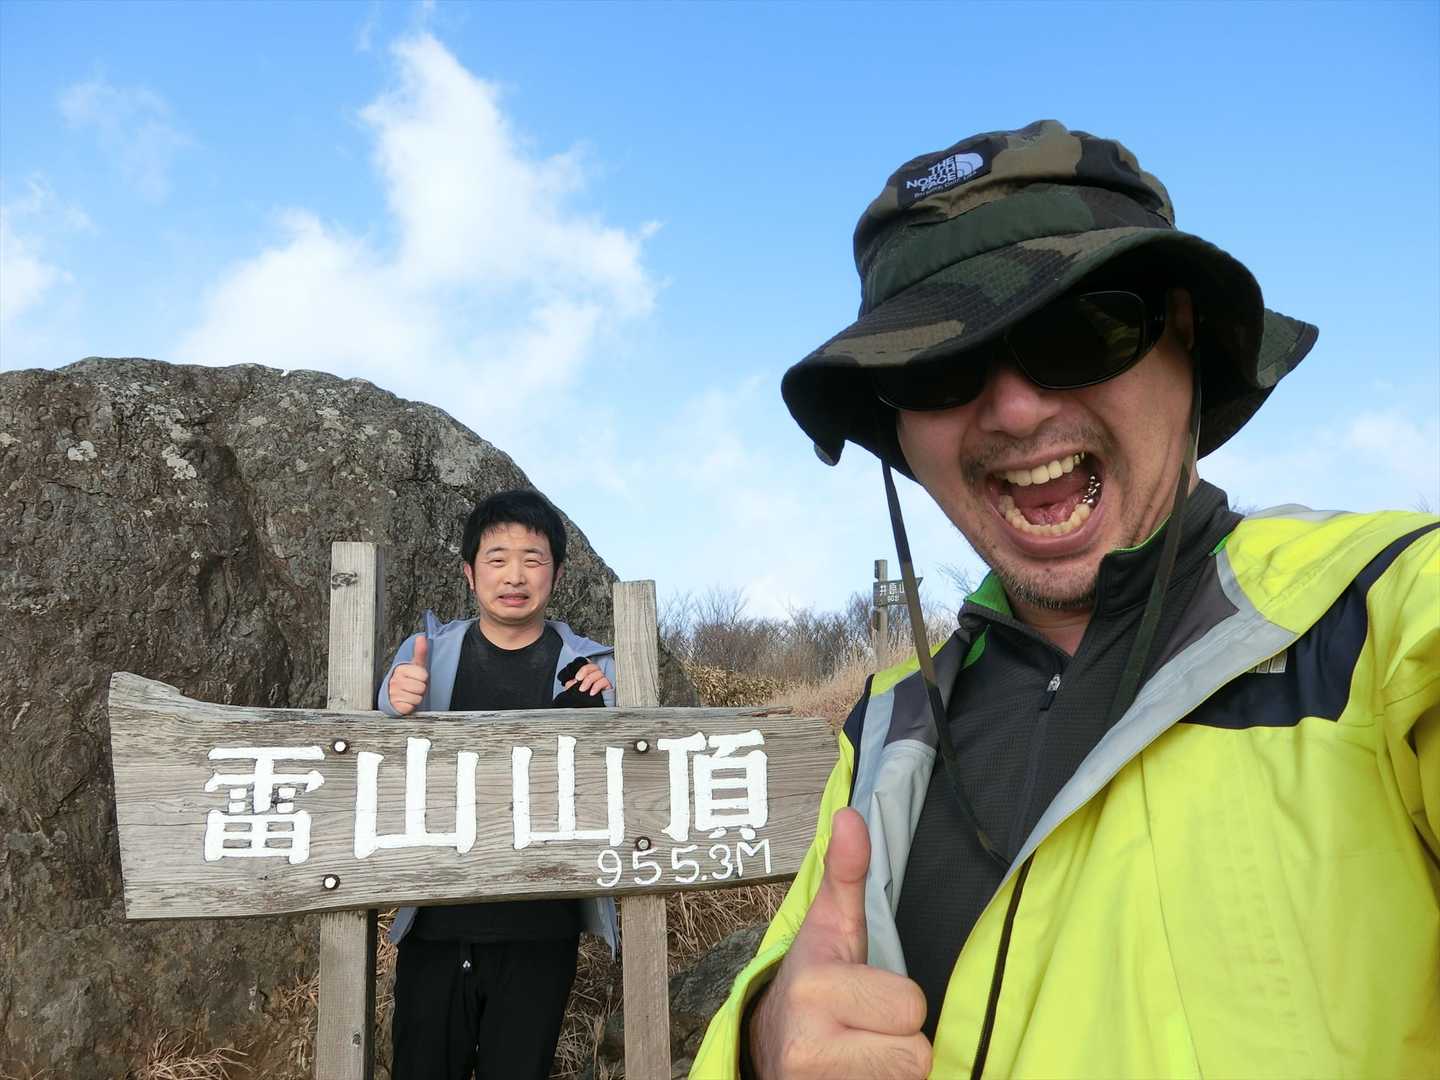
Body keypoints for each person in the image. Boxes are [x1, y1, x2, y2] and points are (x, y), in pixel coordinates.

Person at [692, 120, 1438, 1078]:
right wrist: (762, 1041)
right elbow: (794, 995)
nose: (1014, 408)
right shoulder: (887, 730)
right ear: (896, 425)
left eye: (1080, 330)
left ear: (1185, 337)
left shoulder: (1380, 616)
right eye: (937, 366)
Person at [378, 488, 619, 1080]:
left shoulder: (594, 667)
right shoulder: (425, 656)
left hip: (543, 925)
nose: (515, 576)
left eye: (533, 560)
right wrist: (390, 701)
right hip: (436, 920)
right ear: (470, 572)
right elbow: (376, 758)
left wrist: (609, 707)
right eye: (497, 559)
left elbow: (627, 770)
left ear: (556, 574)